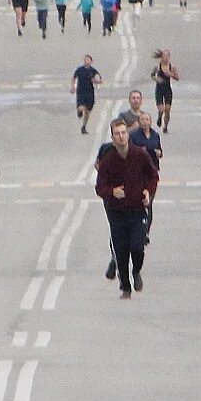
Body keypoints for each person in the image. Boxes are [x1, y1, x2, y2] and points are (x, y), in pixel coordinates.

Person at [95, 118, 159, 298]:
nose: (121, 136)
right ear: (113, 137)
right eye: (117, 134)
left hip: (137, 208)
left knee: (137, 246)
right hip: (116, 211)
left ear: (127, 134)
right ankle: (125, 287)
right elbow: (100, 187)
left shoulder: (139, 155)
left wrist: (148, 191)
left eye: (124, 133)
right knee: (121, 249)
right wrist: (112, 191)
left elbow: (153, 176)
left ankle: (136, 271)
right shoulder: (108, 160)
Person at [130, 111, 164, 239]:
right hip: (138, 173)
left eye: (147, 119)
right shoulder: (134, 136)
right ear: (139, 122)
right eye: (142, 120)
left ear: (150, 121)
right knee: (139, 203)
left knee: (148, 204)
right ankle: (139, 229)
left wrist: (159, 153)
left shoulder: (155, 135)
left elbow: (160, 150)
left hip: (152, 173)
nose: (145, 122)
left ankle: (146, 232)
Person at [71, 55, 102, 134]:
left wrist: (95, 81)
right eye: (85, 60)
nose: (86, 61)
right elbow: (73, 78)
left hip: (90, 93)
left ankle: (84, 126)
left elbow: (99, 80)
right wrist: (72, 87)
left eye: (88, 60)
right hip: (81, 92)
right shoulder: (79, 70)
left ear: (91, 61)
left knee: (88, 111)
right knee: (81, 107)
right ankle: (79, 111)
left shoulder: (93, 71)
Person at [151, 50, 180, 132]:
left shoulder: (172, 67)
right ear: (161, 57)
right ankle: (160, 117)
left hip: (167, 90)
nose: (166, 57)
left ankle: (165, 126)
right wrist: (157, 79)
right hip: (159, 89)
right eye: (164, 55)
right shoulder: (157, 66)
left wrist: (171, 74)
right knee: (161, 109)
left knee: (167, 110)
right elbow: (152, 75)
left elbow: (177, 78)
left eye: (167, 56)